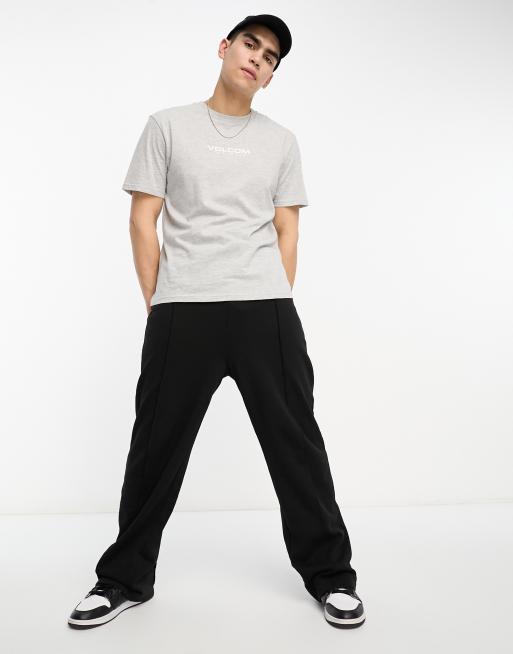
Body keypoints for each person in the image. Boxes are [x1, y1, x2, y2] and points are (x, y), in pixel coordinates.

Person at [68, 14, 365, 630]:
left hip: (265, 311)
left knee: (297, 445)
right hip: (184, 309)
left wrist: (272, 295)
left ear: (272, 75)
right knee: (155, 448)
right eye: (251, 44)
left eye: (271, 56)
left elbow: (287, 229)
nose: (258, 58)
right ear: (225, 47)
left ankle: (332, 576)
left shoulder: (281, 141)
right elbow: (142, 219)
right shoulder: (167, 125)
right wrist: (161, 301)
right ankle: (122, 579)